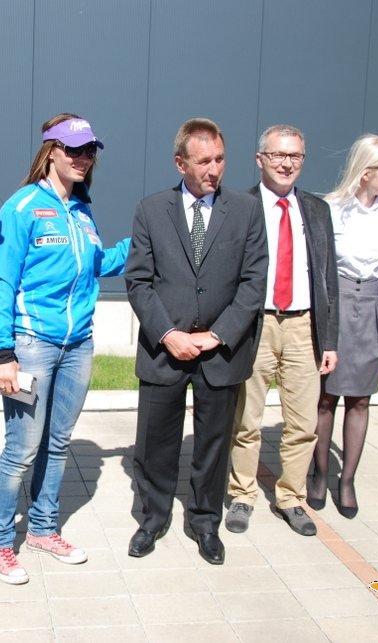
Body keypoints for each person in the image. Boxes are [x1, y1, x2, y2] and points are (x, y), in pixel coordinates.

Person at [0, 114, 130, 584]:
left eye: (90, 151)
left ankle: (43, 530)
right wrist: (2, 352)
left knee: (58, 443)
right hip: (31, 347)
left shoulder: (82, 211)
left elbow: (97, 264)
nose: (83, 158)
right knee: (22, 448)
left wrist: (142, 242)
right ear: (51, 151)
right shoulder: (23, 207)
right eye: (74, 149)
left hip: (78, 345)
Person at [125, 118, 267, 565]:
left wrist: (217, 335)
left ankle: (205, 522)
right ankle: (153, 518)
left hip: (221, 352)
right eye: (203, 161)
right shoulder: (151, 210)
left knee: (213, 444)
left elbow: (253, 283)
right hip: (164, 350)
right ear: (180, 163)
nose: (214, 169)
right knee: (155, 442)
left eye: (220, 159)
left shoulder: (246, 210)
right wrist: (168, 334)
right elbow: (138, 281)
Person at [227, 125, 339, 537]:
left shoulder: (317, 209)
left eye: (295, 156)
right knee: (246, 420)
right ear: (260, 159)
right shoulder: (240, 207)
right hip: (257, 324)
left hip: (303, 326)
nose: (287, 163)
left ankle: (291, 498)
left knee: (303, 424)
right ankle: (242, 494)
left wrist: (330, 340)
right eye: (278, 155)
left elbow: (329, 277)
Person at [310, 134, 378, 520]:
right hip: (337, 301)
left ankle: (347, 479)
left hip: (374, 303)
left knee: (360, 398)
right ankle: (319, 473)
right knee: (326, 395)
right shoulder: (332, 209)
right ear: (366, 172)